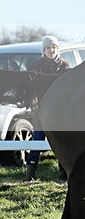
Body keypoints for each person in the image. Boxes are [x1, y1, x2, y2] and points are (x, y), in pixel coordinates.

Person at [25, 35, 70, 181]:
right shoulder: (36, 66)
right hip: (41, 110)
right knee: (38, 140)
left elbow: (68, 87)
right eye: (49, 48)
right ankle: (30, 174)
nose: (52, 50)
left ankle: (63, 173)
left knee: (61, 142)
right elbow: (32, 87)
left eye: (54, 47)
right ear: (44, 50)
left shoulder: (65, 65)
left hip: (60, 110)